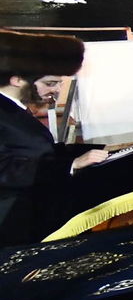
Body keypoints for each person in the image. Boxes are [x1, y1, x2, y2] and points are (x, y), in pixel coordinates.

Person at [0, 31, 108, 247]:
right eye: (50, 83)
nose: (57, 90)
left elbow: (33, 151)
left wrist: (91, 154)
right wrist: (70, 164)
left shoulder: (13, 109)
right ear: (17, 79)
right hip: (11, 226)